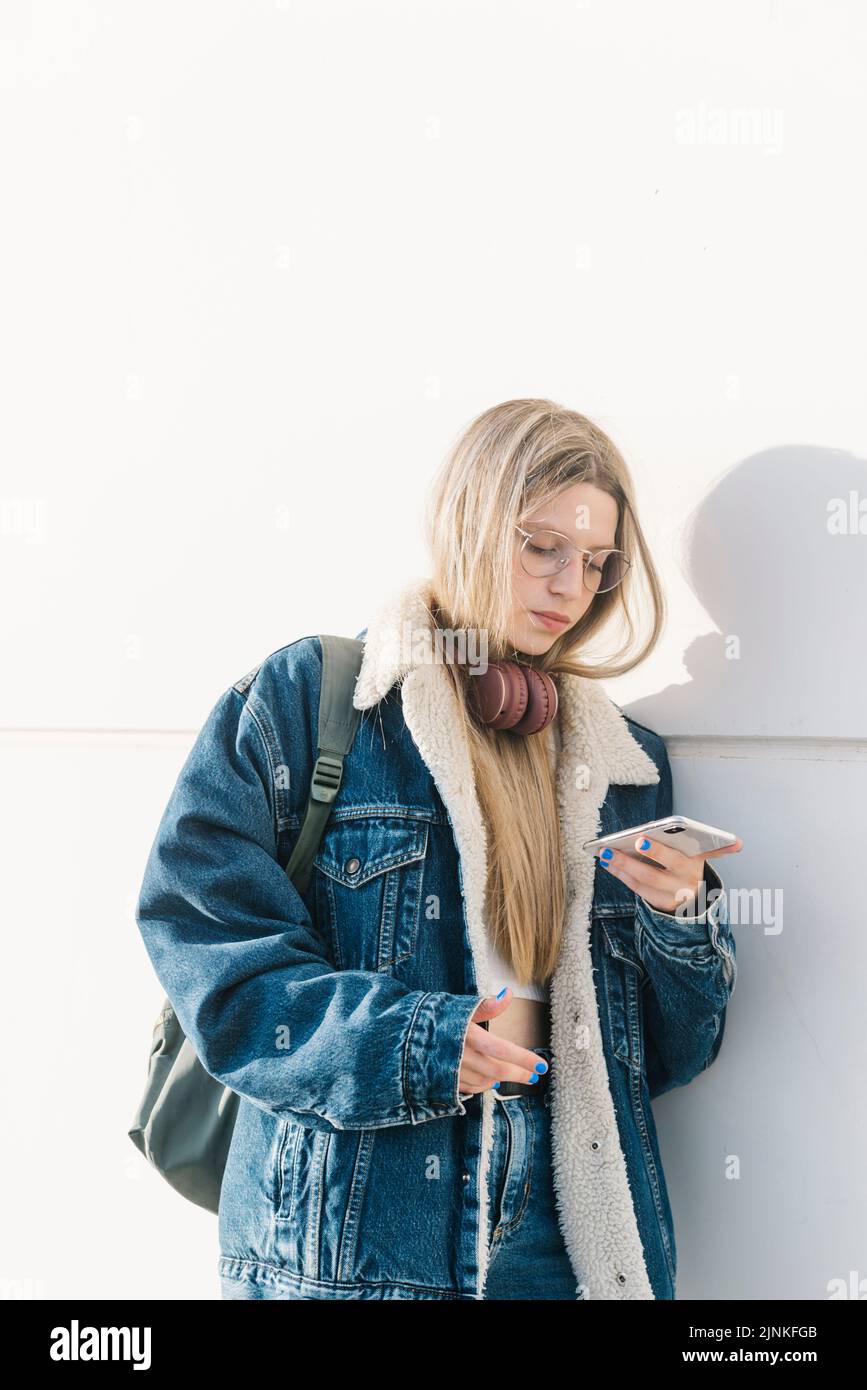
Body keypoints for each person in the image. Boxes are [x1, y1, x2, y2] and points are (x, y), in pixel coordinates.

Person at [135, 397, 741, 1300]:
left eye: (596, 562)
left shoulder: (624, 765)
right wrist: (415, 1044)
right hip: (356, 1238)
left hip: (563, 1242)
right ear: (471, 521)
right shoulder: (311, 701)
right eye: (543, 546)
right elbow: (206, 945)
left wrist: (677, 922)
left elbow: (668, 1057)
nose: (570, 585)